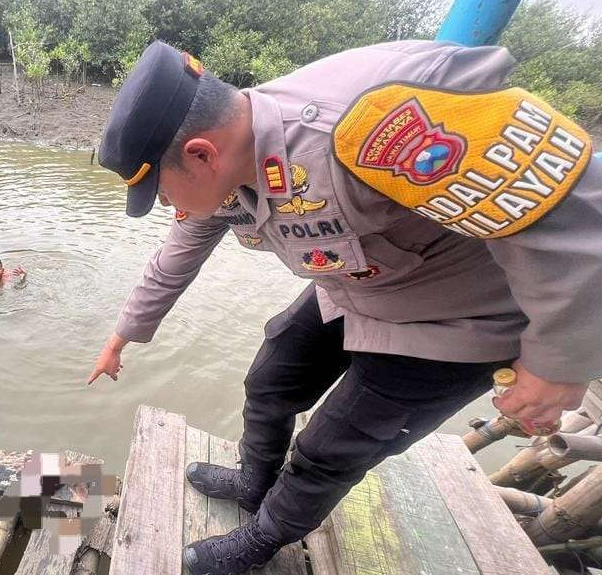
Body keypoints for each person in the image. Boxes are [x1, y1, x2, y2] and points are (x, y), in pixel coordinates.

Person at [88, 40, 599, 574]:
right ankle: (253, 481)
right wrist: (121, 337)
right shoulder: (228, 162)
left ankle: (264, 539)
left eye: (162, 194)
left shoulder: (376, 120)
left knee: (330, 447)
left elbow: (574, 225)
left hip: (458, 321)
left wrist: (555, 365)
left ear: (200, 154)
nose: (167, 207)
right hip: (357, 285)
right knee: (271, 379)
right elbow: (175, 257)